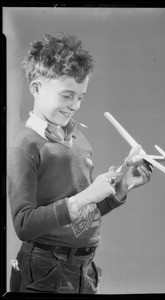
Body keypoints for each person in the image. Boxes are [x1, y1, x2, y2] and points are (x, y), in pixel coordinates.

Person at [7, 33, 153, 294]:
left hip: (84, 268)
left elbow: (83, 215)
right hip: (44, 270)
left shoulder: (80, 141)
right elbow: (23, 224)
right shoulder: (25, 146)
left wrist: (122, 187)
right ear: (36, 89)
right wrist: (86, 196)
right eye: (67, 96)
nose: (74, 105)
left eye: (81, 97)